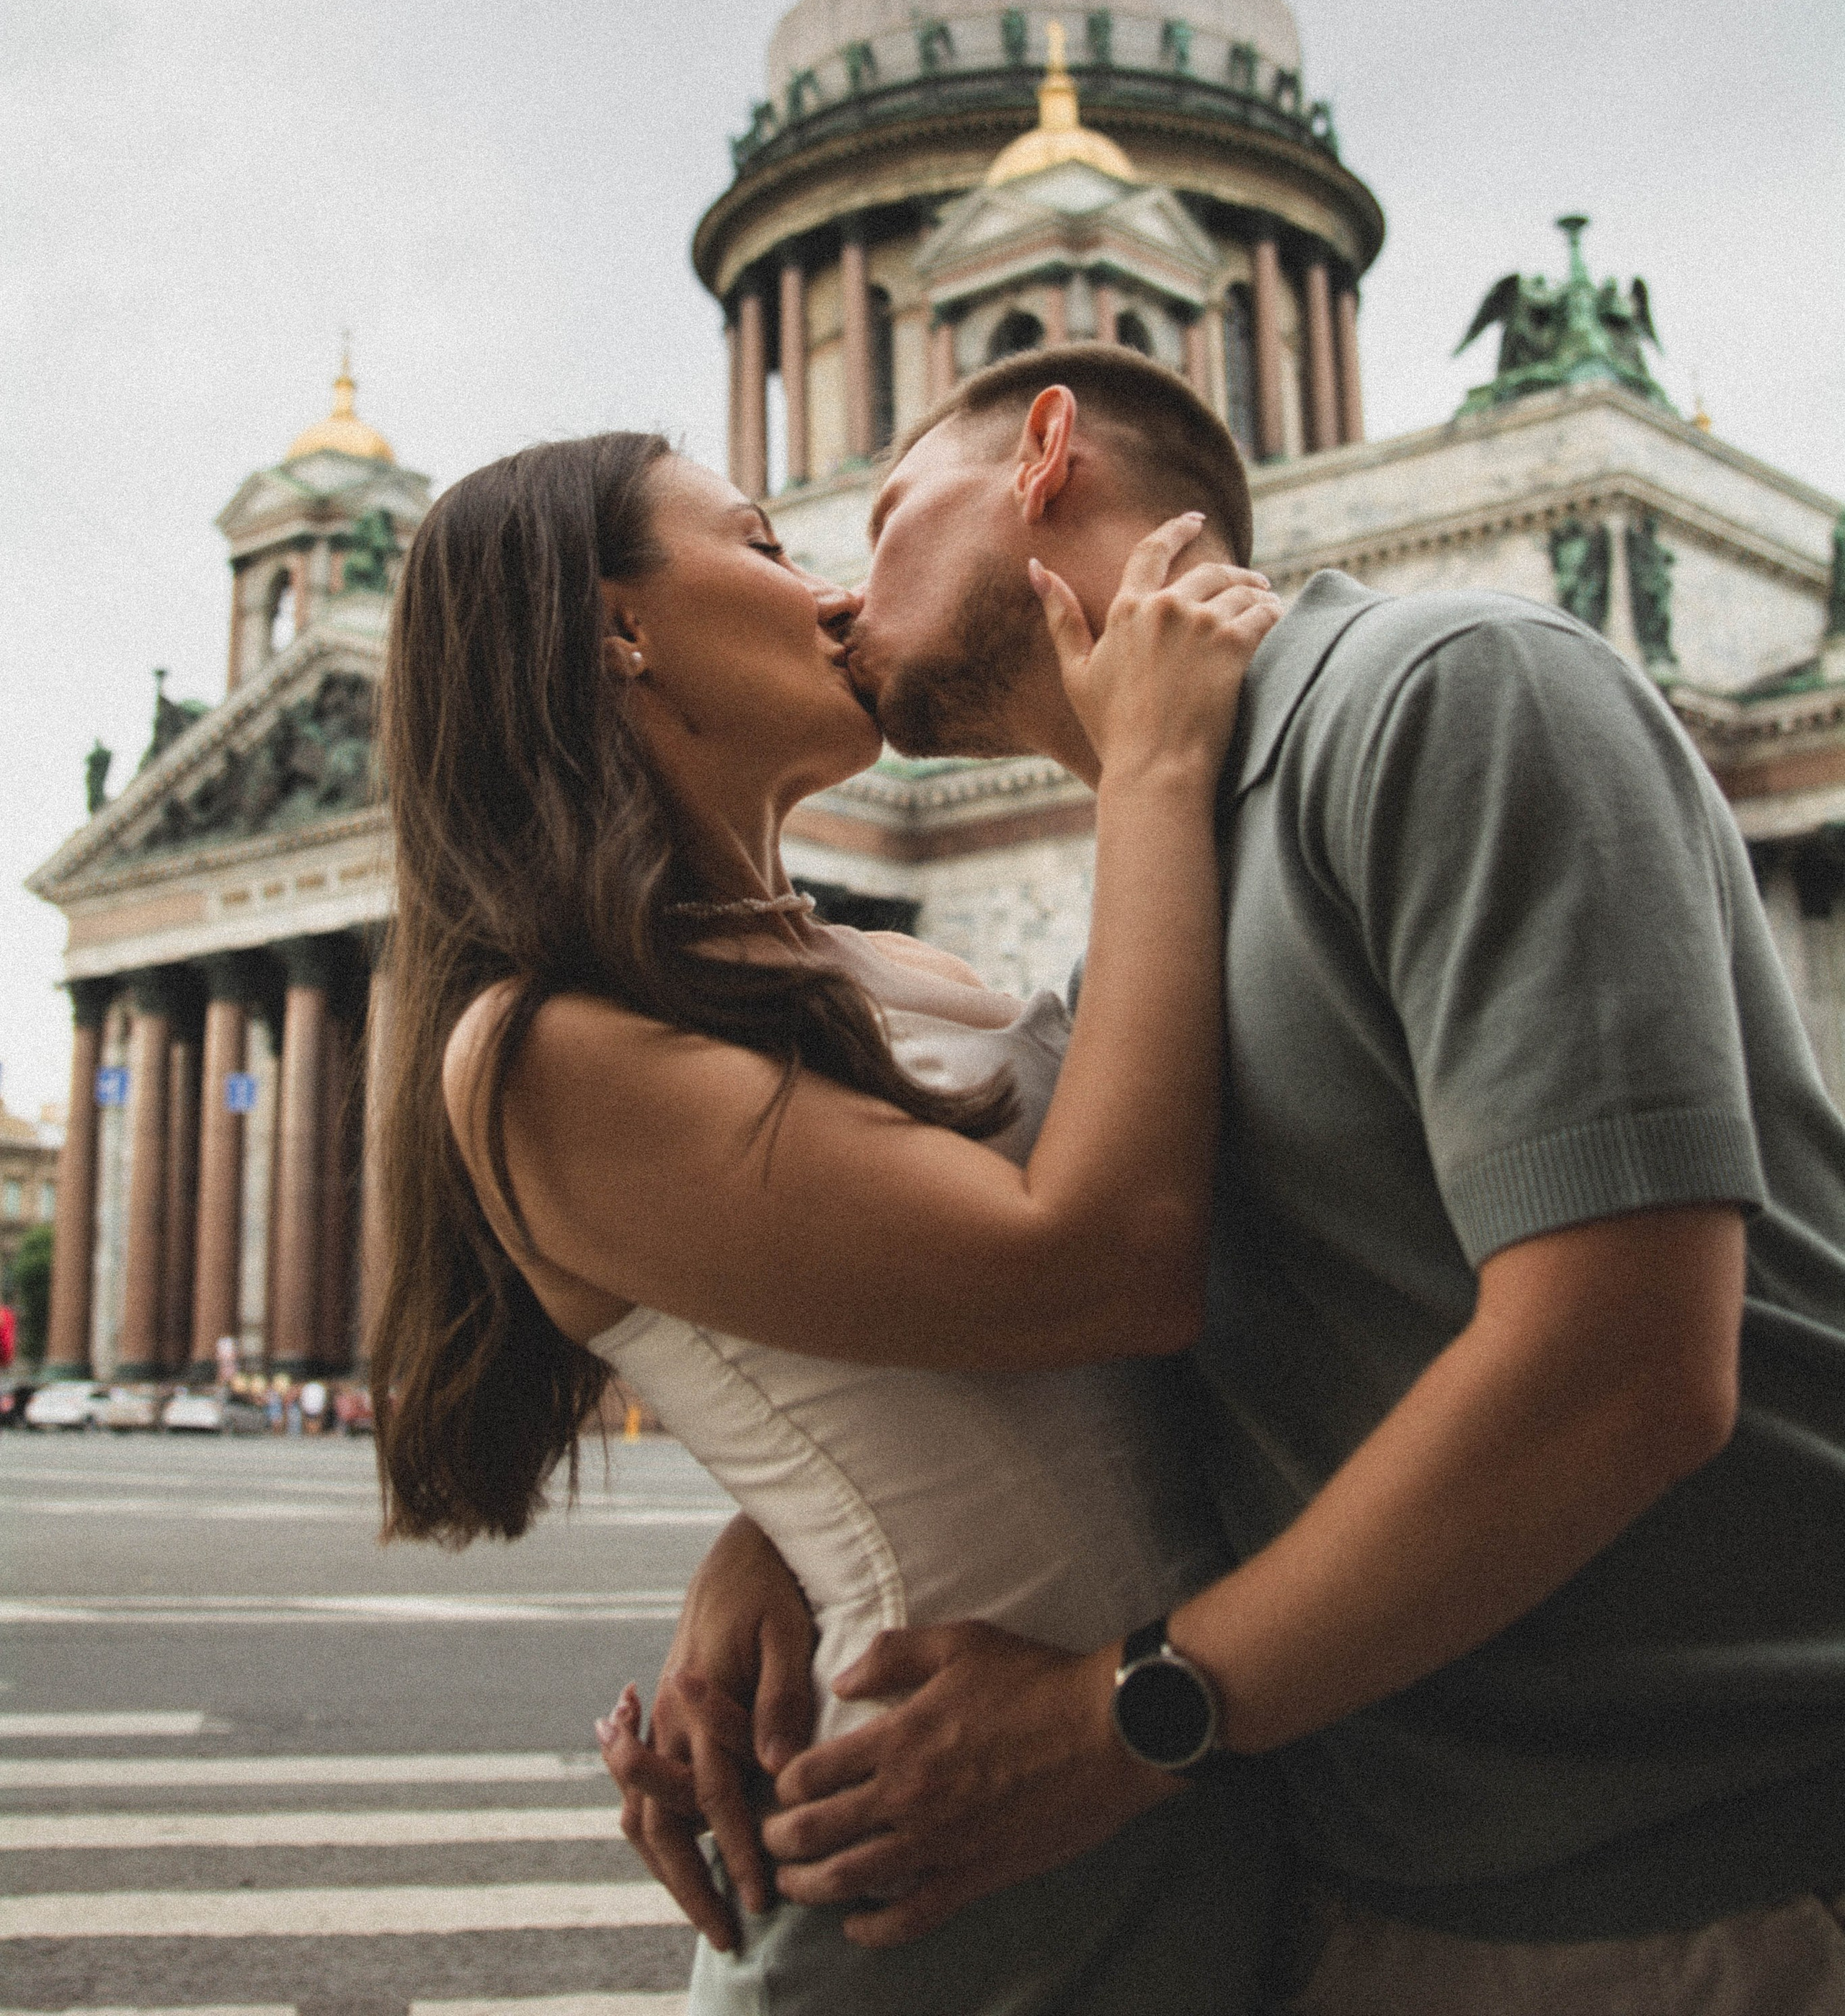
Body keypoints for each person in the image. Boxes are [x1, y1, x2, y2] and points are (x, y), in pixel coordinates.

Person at [611, 343, 1845, 2016]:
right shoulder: (1167, 856)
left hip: (1672, 1887)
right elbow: (1182, 1328)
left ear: (1044, 454)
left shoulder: (1446, 691)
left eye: (883, 512)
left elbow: (1620, 1367)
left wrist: (1118, 1718)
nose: (831, 594)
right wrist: (780, 1535)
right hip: (1346, 1865)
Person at [368, 425, 1286, 2013]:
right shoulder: (539, 1057)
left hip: (1173, 1797)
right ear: (618, 629)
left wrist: (772, 1538)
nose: (840, 596)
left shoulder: (898, 971)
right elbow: (1105, 1267)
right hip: (947, 1872)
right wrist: (1144, 765)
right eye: (769, 547)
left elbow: (967, 1349)